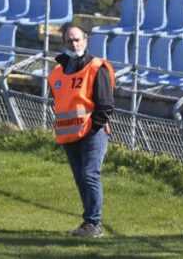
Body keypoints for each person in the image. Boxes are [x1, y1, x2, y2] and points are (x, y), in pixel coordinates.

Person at [48, 23, 115, 238]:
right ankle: (88, 223)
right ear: (64, 43)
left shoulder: (97, 67)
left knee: (89, 174)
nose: (74, 43)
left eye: (78, 39)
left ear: (86, 40)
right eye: (70, 40)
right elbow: (57, 100)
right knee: (80, 177)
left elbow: (105, 104)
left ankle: (94, 223)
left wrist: (93, 126)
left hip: (93, 132)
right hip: (69, 133)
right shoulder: (58, 72)